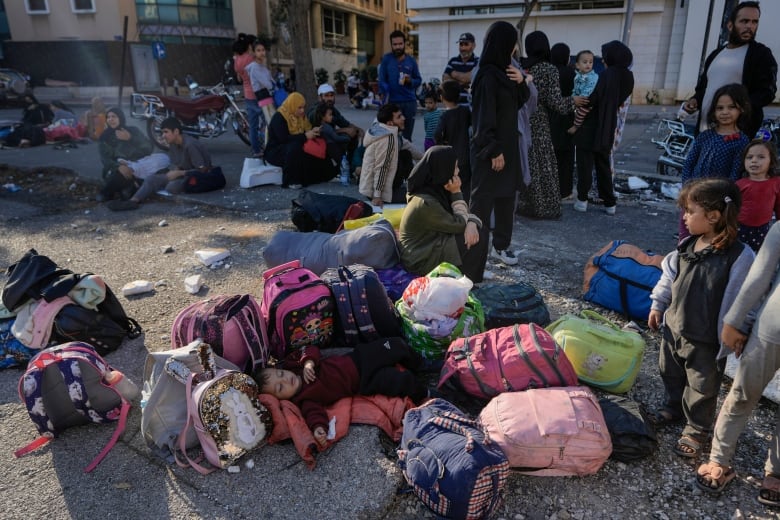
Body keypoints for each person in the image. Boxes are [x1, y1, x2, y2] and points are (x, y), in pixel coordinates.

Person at [648, 178, 755, 460]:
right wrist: (658, 305)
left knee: (703, 385)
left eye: (689, 211)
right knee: (669, 371)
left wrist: (739, 328)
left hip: (707, 338)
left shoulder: (740, 256)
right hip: (675, 328)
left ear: (713, 216)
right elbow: (668, 277)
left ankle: (696, 428)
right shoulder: (686, 245)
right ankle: (672, 407)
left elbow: (748, 296)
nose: (684, 217)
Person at [693, 221, 780, 504]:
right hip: (771, 330)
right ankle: (720, 458)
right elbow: (759, 276)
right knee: (742, 394)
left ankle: (776, 472)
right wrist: (734, 320)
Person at [253, 338, 427, 449]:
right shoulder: (304, 399)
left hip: (360, 358)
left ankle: (421, 365)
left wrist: (308, 363)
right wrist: (319, 429)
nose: (285, 380)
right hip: (364, 382)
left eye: (281, 375)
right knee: (397, 381)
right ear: (283, 399)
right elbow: (314, 415)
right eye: (280, 388)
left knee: (395, 344)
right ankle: (426, 392)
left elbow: (309, 349)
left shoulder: (295, 365)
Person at [462, 21, 530, 281]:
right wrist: (493, 150)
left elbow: (519, 102)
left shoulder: (506, 71)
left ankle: (500, 247)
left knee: (504, 202)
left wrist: (521, 82)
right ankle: (473, 264)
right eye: (513, 40)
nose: (515, 46)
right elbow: (482, 120)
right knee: (480, 206)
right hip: (489, 152)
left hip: (506, 151)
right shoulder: (488, 75)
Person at [684, 1, 776, 138]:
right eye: (744, 21)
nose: (749, 26)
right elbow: (703, 89)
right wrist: (694, 101)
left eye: (754, 22)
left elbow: (767, 92)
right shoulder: (715, 55)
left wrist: (737, 108)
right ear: (730, 25)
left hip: (735, 136)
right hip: (704, 132)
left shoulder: (761, 54)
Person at [679, 83, 751, 241]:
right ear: (713, 111)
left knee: (709, 240)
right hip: (693, 196)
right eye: (720, 108)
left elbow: (734, 175)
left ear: (742, 109)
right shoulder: (705, 136)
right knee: (686, 236)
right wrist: (687, 189)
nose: (725, 112)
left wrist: (719, 200)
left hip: (715, 203)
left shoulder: (741, 141)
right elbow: (689, 163)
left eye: (731, 107)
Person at [517, 31, 575, 221]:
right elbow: (555, 102)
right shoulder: (548, 69)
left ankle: (526, 204)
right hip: (539, 122)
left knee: (528, 162)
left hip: (521, 120)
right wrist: (574, 101)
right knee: (543, 164)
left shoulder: (523, 67)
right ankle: (544, 207)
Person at [572, 40, 634, 216]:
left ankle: (582, 200)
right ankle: (610, 203)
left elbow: (592, 100)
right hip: (608, 126)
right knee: (603, 166)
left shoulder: (606, 76)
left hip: (591, 125)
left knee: (585, 166)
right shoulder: (628, 77)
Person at [399, 145, 481, 276]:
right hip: (419, 260)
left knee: (473, 231)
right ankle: (466, 282)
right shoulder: (425, 202)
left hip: (429, 246)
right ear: (442, 169)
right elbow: (459, 224)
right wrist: (457, 192)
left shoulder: (435, 189)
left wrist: (472, 222)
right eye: (454, 167)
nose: (458, 171)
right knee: (473, 238)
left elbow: (462, 217)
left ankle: (463, 279)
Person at [106, 117, 212, 211]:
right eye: (162, 132)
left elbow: (203, 170)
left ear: (176, 131)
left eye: (166, 132)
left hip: (197, 177)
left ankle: (148, 189)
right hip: (183, 174)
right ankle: (132, 202)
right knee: (151, 179)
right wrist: (175, 171)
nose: (163, 136)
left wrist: (179, 173)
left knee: (171, 187)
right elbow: (180, 163)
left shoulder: (190, 145)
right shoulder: (173, 144)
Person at [97, 107, 170, 202]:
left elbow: (148, 149)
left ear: (120, 117)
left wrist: (130, 138)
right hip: (119, 168)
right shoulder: (105, 137)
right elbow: (105, 159)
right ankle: (107, 192)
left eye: (114, 116)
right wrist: (118, 166)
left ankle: (132, 185)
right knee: (120, 175)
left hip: (141, 164)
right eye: (108, 117)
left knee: (163, 158)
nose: (111, 119)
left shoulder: (133, 131)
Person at [265, 92, 335, 189]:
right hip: (276, 151)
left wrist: (312, 131)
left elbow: (305, 131)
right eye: (299, 107)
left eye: (303, 107)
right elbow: (283, 139)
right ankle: (291, 181)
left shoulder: (301, 117)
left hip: (293, 146)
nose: (302, 110)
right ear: (292, 105)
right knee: (295, 147)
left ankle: (328, 175)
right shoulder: (280, 117)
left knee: (316, 145)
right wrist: (305, 136)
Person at [359, 103, 422, 207]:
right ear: (390, 123)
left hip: (382, 185)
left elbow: (411, 149)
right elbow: (381, 168)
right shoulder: (387, 139)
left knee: (405, 153)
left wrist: (430, 158)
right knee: (421, 196)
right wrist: (377, 196)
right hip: (375, 192)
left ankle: (408, 187)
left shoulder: (392, 133)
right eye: (399, 117)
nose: (404, 118)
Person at [735, 139, 780, 251]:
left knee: (757, 257)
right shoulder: (739, 184)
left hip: (762, 229)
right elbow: (731, 208)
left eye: (761, 157)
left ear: (771, 161)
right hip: (739, 228)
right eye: (749, 157)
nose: (754, 161)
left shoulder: (776, 183)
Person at [378, 30, 421, 141]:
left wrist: (410, 81)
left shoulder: (411, 61)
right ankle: (393, 158)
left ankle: (406, 158)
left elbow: (419, 80)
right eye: (395, 44)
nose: (398, 47)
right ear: (391, 45)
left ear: (404, 44)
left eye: (400, 44)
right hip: (392, 103)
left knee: (407, 137)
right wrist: (383, 92)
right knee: (391, 136)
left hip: (409, 103)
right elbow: (381, 79)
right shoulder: (386, 59)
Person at [434, 80, 472, 202]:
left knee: (451, 185)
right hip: (466, 156)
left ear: (442, 97)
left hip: (451, 157)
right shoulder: (465, 111)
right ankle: (464, 208)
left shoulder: (444, 116)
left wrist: (441, 145)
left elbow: (437, 135)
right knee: (465, 185)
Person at [307, 83, 363, 162]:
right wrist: (344, 130)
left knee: (353, 133)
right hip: (317, 141)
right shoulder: (315, 111)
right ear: (320, 97)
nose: (330, 98)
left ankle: (350, 164)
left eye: (331, 95)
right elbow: (322, 131)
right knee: (339, 140)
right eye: (326, 96)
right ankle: (343, 166)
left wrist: (358, 130)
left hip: (330, 136)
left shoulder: (331, 108)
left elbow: (344, 123)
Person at [549, 42, 576, 199]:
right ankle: (565, 191)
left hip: (550, 118)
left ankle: (551, 189)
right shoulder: (571, 73)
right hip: (568, 119)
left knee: (552, 157)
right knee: (566, 158)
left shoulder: (550, 73)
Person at [233, 33, 264, 158]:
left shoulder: (237, 61)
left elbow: (240, 79)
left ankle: (256, 151)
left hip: (247, 95)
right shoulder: (251, 58)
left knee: (253, 126)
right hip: (259, 94)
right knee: (269, 121)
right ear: (249, 46)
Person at [246, 39, 276, 157]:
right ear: (253, 52)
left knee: (259, 124)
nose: (262, 53)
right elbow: (268, 83)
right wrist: (273, 85)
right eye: (258, 50)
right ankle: (265, 149)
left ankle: (258, 149)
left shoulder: (260, 66)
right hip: (263, 98)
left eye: (263, 50)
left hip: (262, 97)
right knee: (270, 122)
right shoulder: (255, 67)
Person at [442, 32, 480, 105]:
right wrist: (464, 83)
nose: (463, 48)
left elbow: (469, 78)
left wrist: (453, 73)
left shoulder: (478, 61)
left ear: (473, 45)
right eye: (461, 44)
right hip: (454, 106)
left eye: (466, 44)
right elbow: (445, 80)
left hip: (472, 107)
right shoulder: (452, 61)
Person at [567, 50, 598, 134]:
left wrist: (581, 98)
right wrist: (573, 97)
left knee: (581, 111)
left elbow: (589, 88)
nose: (588, 64)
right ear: (577, 65)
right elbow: (575, 88)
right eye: (585, 62)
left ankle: (576, 126)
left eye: (590, 62)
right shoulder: (578, 75)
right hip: (579, 98)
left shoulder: (593, 76)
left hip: (586, 99)